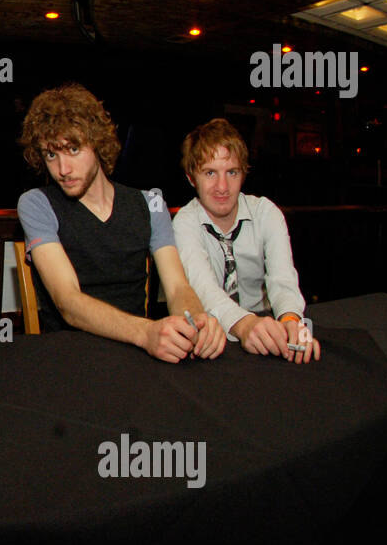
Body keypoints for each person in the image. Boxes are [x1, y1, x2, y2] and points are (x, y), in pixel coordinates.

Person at [16, 83, 224, 362]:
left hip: (137, 356)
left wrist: (196, 320)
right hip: (68, 357)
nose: (62, 170)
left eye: (73, 149)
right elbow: (68, 302)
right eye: (51, 155)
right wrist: (146, 333)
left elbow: (177, 288)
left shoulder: (150, 204)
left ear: (98, 143)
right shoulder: (36, 203)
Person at [173, 119, 319, 363]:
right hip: (215, 337)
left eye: (232, 172)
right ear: (191, 178)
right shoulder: (184, 224)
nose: (223, 187)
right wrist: (244, 324)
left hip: (268, 327)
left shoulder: (266, 212)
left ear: (243, 173)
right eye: (210, 173)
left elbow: (282, 280)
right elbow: (204, 290)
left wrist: (291, 319)